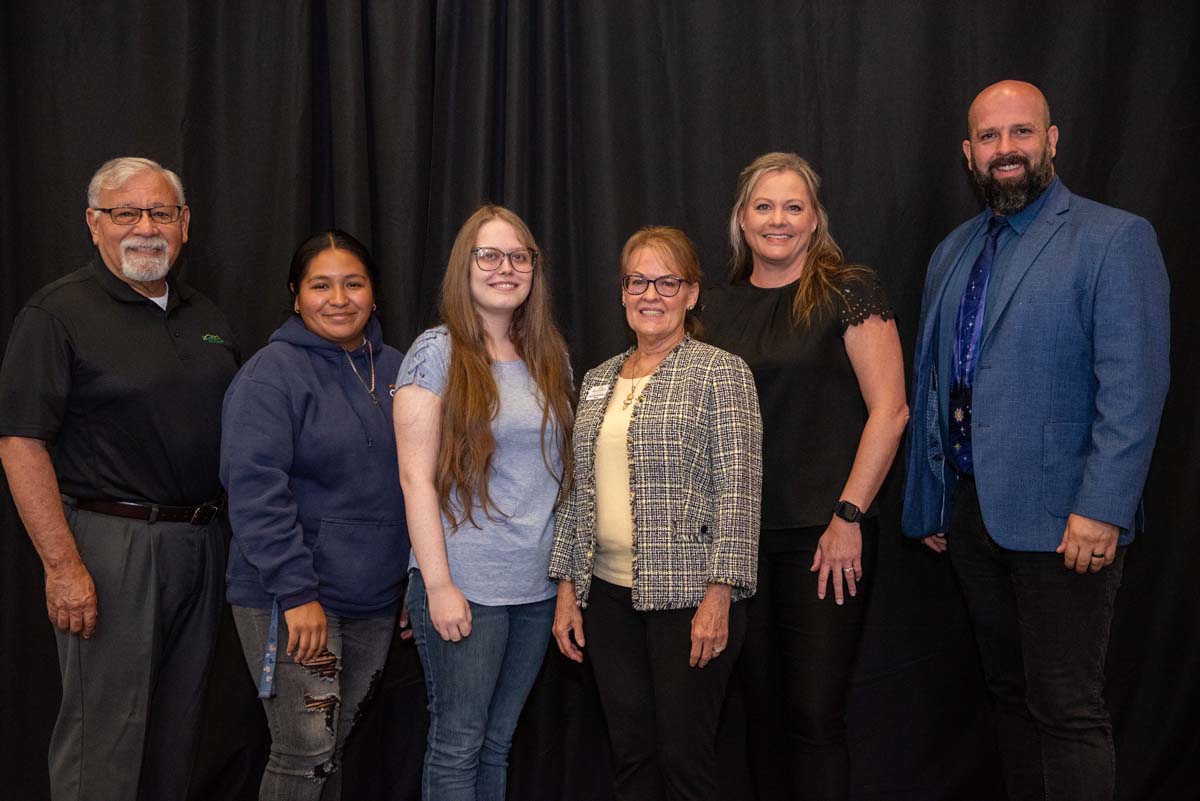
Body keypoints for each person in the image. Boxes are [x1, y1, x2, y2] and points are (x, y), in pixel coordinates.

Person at [902, 80, 1170, 801]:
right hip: (971, 518)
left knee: (1068, 710)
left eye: (1021, 133)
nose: (1006, 149)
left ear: (1052, 140)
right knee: (1010, 697)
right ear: (968, 153)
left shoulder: (1114, 238)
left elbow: (1134, 389)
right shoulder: (952, 251)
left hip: (1067, 524)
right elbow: (935, 381)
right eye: (989, 138)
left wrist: (1104, 507)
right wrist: (934, 499)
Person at [0, 157, 239, 801]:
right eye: (124, 213)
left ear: (185, 224)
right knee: (104, 739)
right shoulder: (57, 313)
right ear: (93, 224)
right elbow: (21, 443)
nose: (144, 227)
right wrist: (62, 566)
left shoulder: (205, 313)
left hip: (201, 541)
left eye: (160, 212)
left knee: (178, 733)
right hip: (109, 547)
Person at [698, 153, 908, 800]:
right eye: (764, 206)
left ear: (815, 219)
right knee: (757, 717)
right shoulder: (713, 306)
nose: (778, 219)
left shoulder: (849, 291)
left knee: (814, 716)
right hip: (739, 545)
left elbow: (891, 410)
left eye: (794, 206)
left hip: (825, 539)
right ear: (741, 219)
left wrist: (848, 516)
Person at [550, 226, 763, 801]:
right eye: (639, 281)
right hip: (608, 598)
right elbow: (577, 492)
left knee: (685, 762)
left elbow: (739, 495)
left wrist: (719, 598)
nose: (652, 294)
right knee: (632, 758)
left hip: (690, 599)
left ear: (692, 294)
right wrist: (569, 589)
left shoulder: (721, 372)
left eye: (668, 281)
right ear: (622, 293)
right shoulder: (597, 380)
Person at [394, 204, 574, 801]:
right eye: (489, 255)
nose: (505, 268)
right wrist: (439, 585)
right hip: (465, 585)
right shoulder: (436, 352)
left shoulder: (550, 356)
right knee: (458, 744)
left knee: (498, 743)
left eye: (518, 256)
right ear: (464, 267)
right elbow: (415, 481)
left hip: (534, 587)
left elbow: (565, 477)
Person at [220, 230, 409, 799]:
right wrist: (298, 595)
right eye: (320, 285)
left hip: (376, 598)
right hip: (294, 598)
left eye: (353, 283)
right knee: (304, 752)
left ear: (374, 294)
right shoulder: (270, 375)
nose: (339, 298)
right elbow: (255, 493)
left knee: (332, 749)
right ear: (296, 296)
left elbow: (427, 486)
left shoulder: (405, 370)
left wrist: (412, 581)